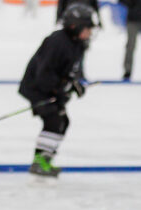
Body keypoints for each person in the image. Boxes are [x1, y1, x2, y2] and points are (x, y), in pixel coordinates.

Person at [18, 3, 95, 179]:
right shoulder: (56, 41)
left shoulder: (78, 44)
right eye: (87, 28)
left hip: (52, 89)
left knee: (63, 121)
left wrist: (77, 84)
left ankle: (45, 159)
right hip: (38, 88)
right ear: (75, 26)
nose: (90, 32)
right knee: (54, 120)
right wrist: (59, 89)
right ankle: (39, 162)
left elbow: (74, 68)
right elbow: (44, 72)